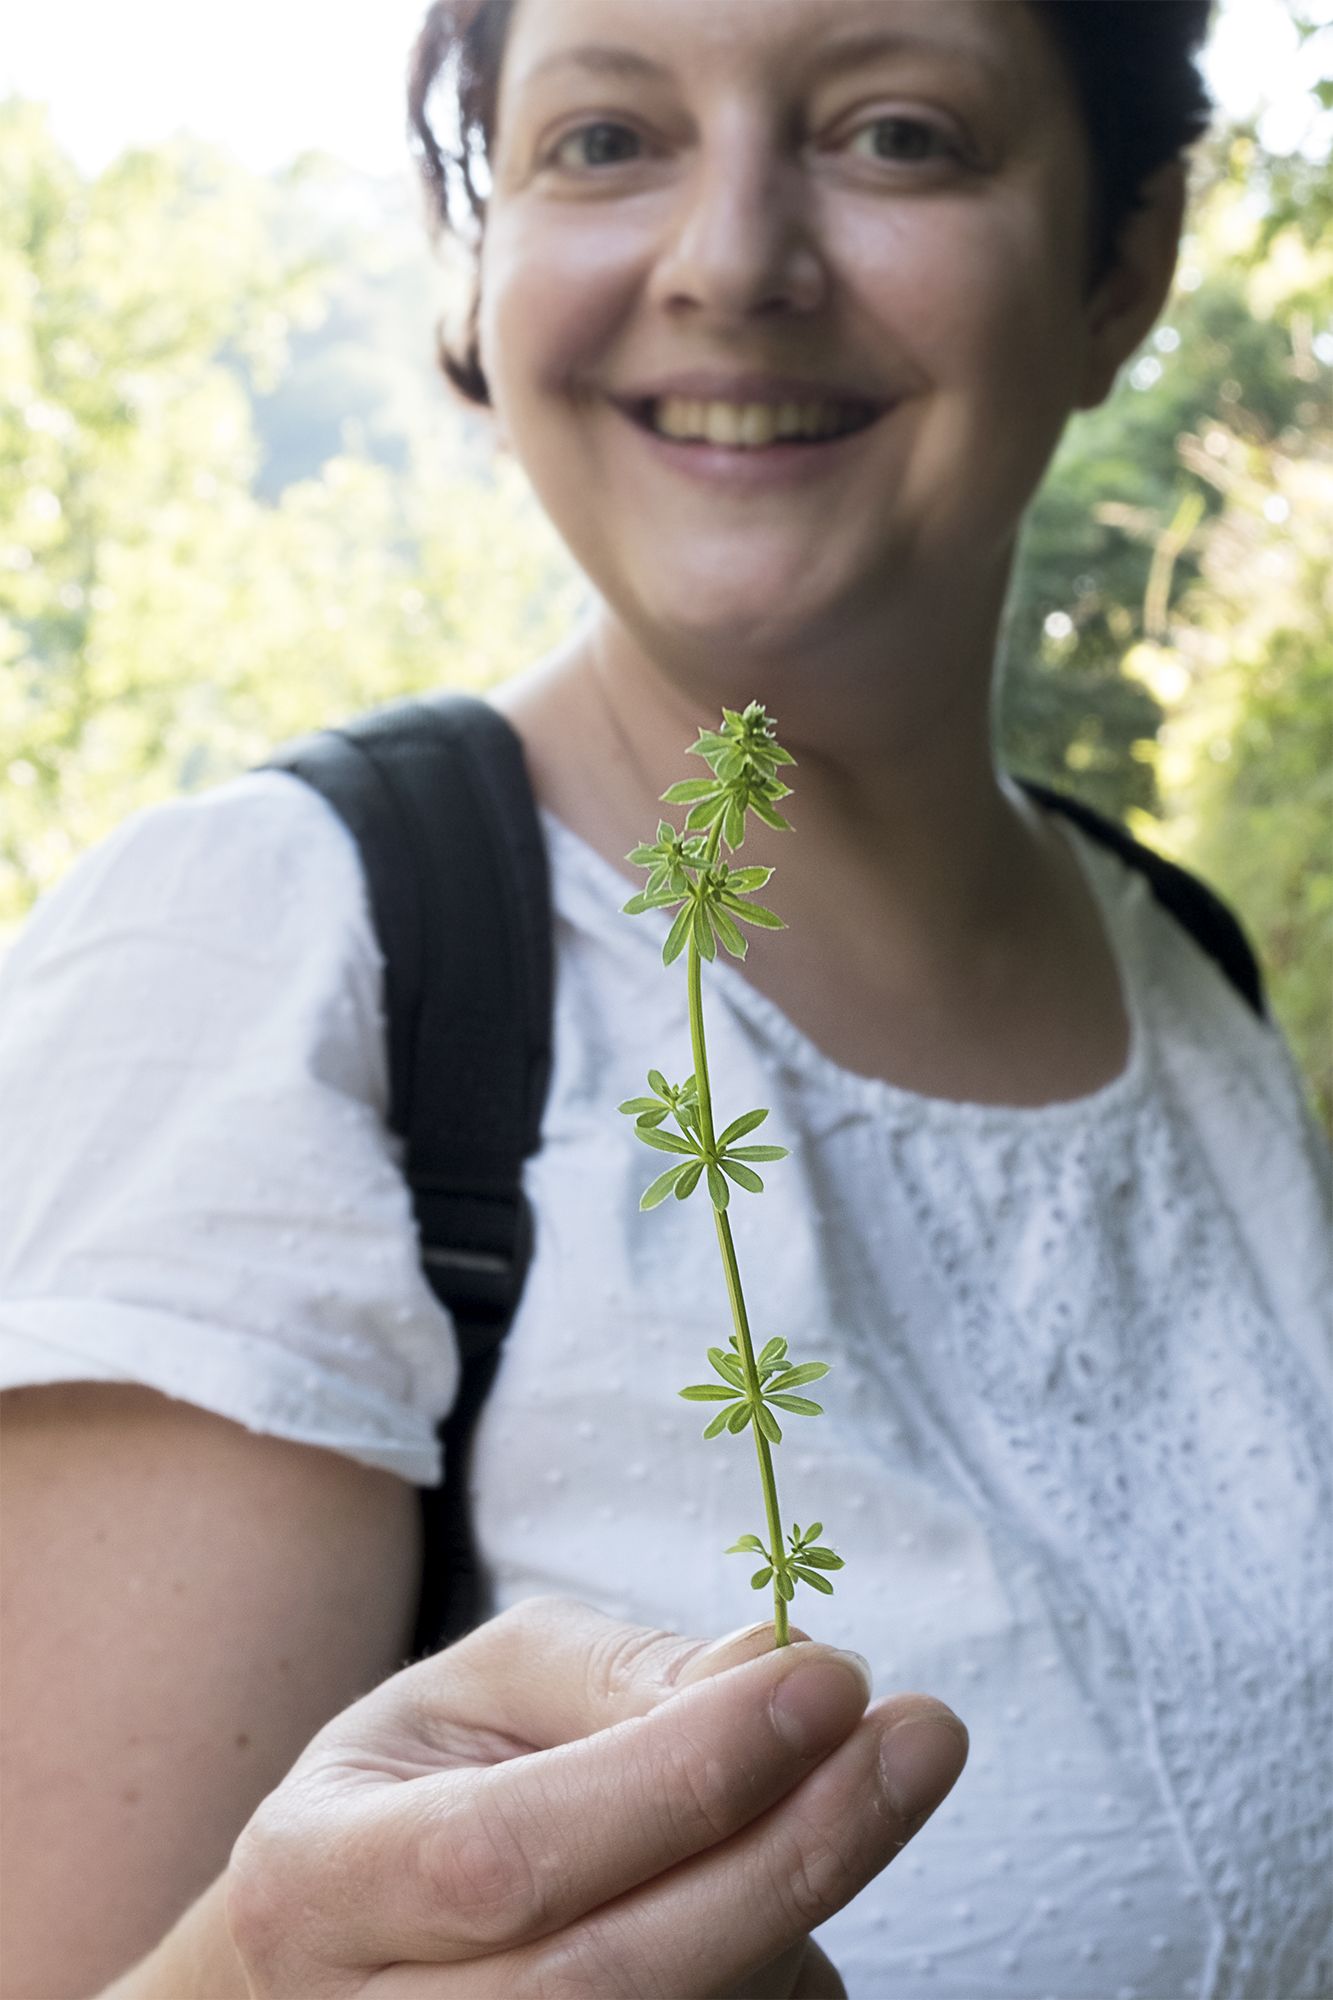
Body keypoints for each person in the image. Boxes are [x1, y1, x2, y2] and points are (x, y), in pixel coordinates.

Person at [1, 1, 1329, 1995]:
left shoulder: (1191, 981)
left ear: (1121, 255)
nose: (726, 258)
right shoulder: (276, 962)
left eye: (893, 133)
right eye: (605, 139)